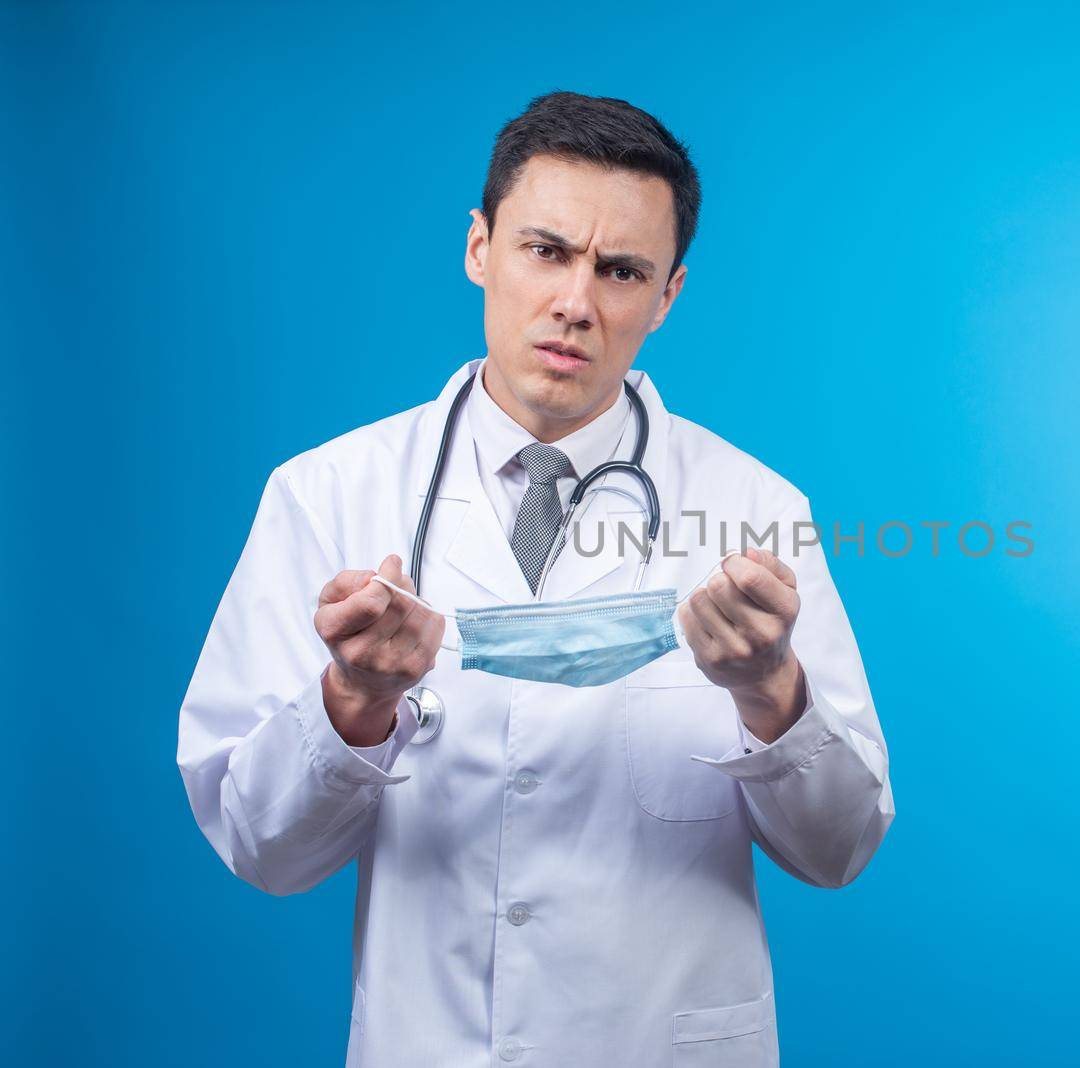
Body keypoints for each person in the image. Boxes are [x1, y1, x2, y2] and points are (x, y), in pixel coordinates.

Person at [176, 90, 893, 1067]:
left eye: (621, 270)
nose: (576, 303)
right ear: (480, 248)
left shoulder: (755, 509)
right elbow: (264, 851)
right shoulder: (326, 493)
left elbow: (838, 849)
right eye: (545, 251)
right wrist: (354, 701)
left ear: (667, 294)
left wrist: (769, 689)